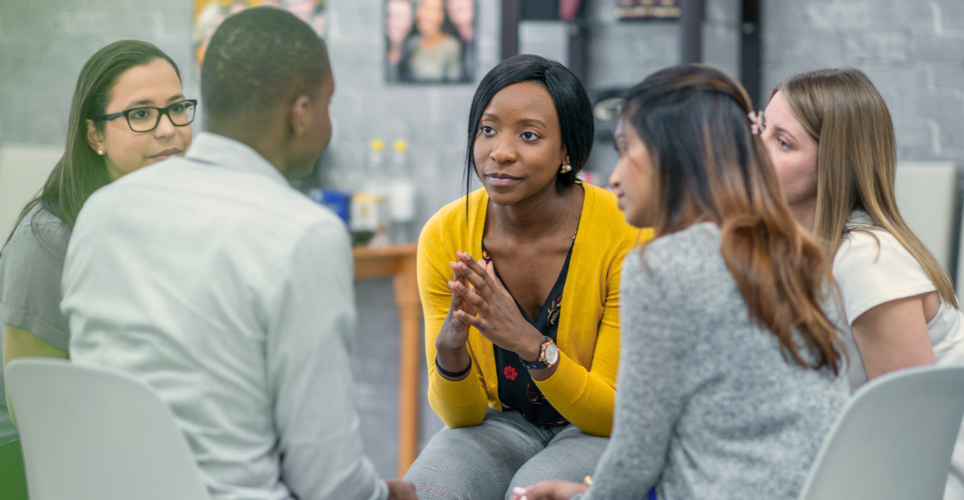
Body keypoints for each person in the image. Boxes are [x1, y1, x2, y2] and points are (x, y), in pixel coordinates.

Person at [60, 8, 415, 500]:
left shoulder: (101, 211)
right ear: (302, 113)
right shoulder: (304, 234)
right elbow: (328, 483)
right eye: (328, 105)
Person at [512, 64, 848, 500]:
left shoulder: (661, 267)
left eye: (626, 150)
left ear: (673, 155)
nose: (613, 177)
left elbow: (637, 454)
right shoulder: (800, 254)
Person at [403, 54, 643, 500]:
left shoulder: (624, 230)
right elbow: (463, 418)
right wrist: (450, 350)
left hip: (595, 428)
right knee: (428, 491)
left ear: (568, 151)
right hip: (498, 424)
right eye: (488, 130)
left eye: (528, 136)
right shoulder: (444, 234)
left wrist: (527, 343)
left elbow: (612, 413)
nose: (501, 152)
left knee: (529, 495)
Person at [0, 40, 195, 500]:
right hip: (41, 461)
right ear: (95, 136)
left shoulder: (174, 217)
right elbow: (33, 405)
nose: (168, 130)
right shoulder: (47, 240)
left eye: (177, 108)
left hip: (143, 442)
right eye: (141, 114)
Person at [762, 68, 964, 499]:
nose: (755, 150)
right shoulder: (795, 251)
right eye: (761, 128)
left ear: (834, 162)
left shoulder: (867, 261)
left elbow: (913, 435)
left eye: (782, 142)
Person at [401, 0, 462, 82]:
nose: (425, 13)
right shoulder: (411, 43)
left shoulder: (451, 46)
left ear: (441, 15)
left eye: (433, 8)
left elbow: (455, 87)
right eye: (422, 7)